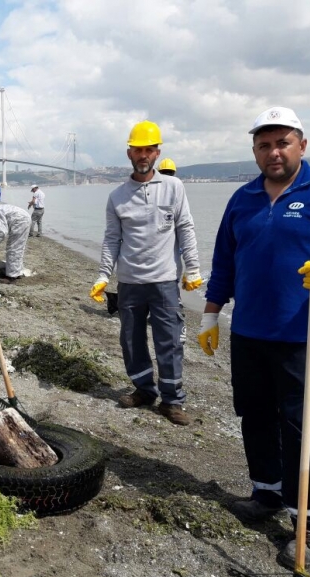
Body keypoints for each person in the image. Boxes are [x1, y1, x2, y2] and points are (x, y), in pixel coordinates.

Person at [198, 106, 310, 568]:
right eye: (264, 144)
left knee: (302, 426)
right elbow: (226, 263)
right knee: (254, 413)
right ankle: (267, 493)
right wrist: (211, 314)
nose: (273, 152)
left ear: (302, 144)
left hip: (302, 335)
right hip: (250, 332)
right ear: (255, 151)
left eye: (282, 142)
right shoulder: (242, 198)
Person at [89, 120, 203, 426]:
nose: (144, 155)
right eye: (138, 149)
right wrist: (103, 275)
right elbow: (112, 239)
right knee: (131, 340)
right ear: (129, 153)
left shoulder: (174, 188)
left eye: (149, 150)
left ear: (157, 153)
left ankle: (172, 401)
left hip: (165, 281)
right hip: (129, 282)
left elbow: (186, 228)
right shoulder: (117, 196)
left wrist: (192, 267)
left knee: (169, 341)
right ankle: (143, 389)